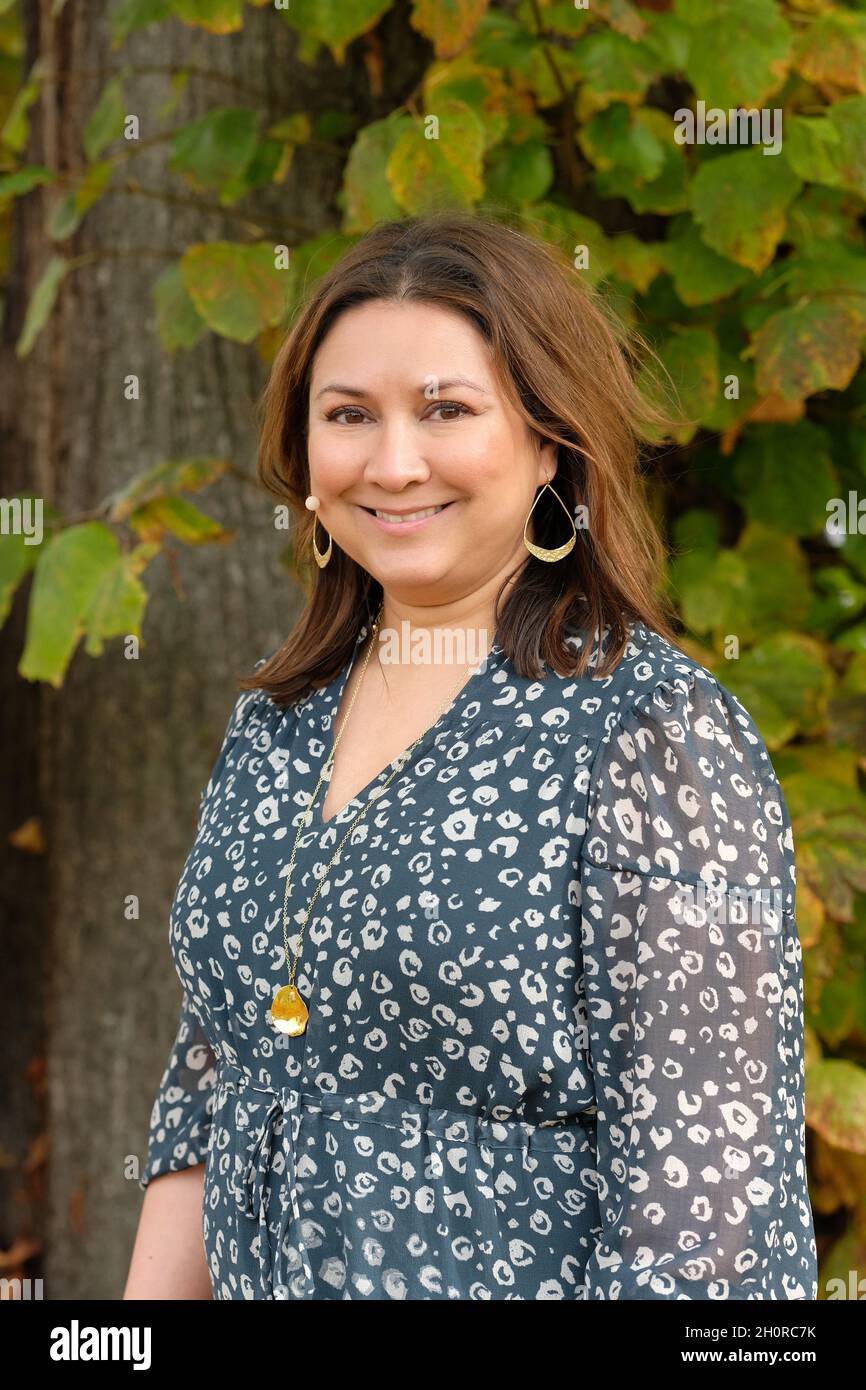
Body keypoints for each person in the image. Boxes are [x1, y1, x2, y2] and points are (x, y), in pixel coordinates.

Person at [124, 211, 818, 1301]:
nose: (393, 464)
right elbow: (215, 1074)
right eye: (348, 414)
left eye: (445, 409)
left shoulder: (648, 736)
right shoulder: (279, 713)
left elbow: (704, 1223)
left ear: (549, 440)